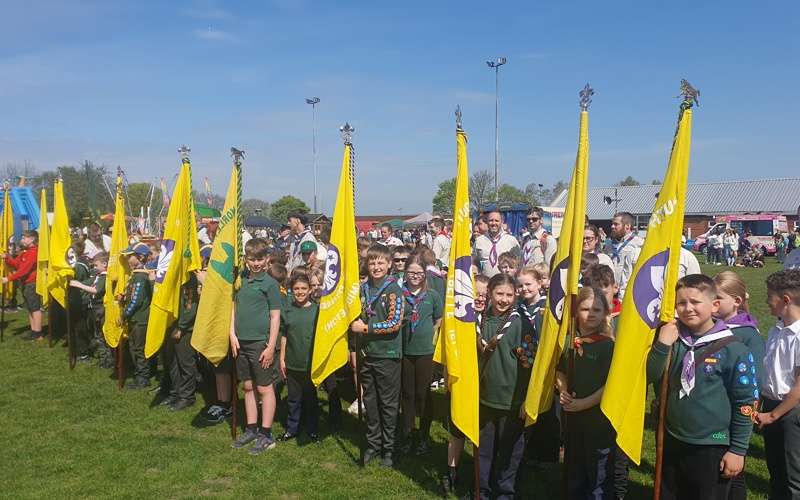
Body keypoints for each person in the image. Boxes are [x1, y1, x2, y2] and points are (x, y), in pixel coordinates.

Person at [647, 274, 756, 499]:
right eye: (681, 303)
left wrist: (737, 450)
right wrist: (662, 345)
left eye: (695, 302)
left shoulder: (733, 349)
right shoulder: (674, 340)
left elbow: (746, 403)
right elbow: (650, 375)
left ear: (715, 305)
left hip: (711, 443)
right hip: (673, 437)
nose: (688, 308)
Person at [476, 273, 533, 499]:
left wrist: (527, 398)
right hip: (484, 396)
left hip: (512, 399)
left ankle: (505, 493)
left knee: (510, 450)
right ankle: (481, 489)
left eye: (510, 295)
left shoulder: (521, 324)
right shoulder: (478, 320)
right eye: (499, 293)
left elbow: (530, 364)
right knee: (484, 447)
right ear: (489, 292)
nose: (504, 299)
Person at [556, 286, 616, 499]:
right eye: (585, 309)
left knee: (598, 470)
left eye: (597, 310)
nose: (591, 314)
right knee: (575, 465)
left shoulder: (607, 346)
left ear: (605, 314)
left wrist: (584, 403)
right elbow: (559, 369)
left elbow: (612, 384)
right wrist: (563, 390)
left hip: (598, 418)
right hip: (573, 416)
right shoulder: (568, 342)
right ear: (576, 312)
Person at [349, 244, 405, 468]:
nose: (376, 267)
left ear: (389, 264)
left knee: (388, 404)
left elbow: (395, 323)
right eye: (372, 262)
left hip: (388, 355)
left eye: (381, 262)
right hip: (367, 354)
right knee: (370, 401)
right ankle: (373, 443)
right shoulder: (363, 289)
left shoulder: (394, 291)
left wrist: (365, 329)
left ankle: (390, 448)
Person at [712, 271, 765, 500]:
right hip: (711, 413)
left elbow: (756, 380)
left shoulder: (747, 334)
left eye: (718, 298)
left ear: (737, 301)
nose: (713, 303)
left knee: (732, 474)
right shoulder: (710, 327)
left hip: (733, 413)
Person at [230, 239, 284, 455]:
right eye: (251, 259)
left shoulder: (270, 284)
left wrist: (271, 346)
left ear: (267, 259)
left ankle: (266, 432)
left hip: (260, 343)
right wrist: (232, 335)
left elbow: (275, 317)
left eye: (260, 259)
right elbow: (232, 309)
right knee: (249, 386)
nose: (256, 263)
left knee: (264, 387)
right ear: (245, 259)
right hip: (240, 341)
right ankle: (251, 428)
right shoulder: (240, 280)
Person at [439, 274, 489, 496]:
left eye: (485, 295)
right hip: (461, 382)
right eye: (475, 294)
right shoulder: (457, 319)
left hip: (486, 385)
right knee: (457, 432)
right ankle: (451, 471)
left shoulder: (495, 321)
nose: (479, 299)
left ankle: (480, 477)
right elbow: (448, 353)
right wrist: (447, 382)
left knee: (484, 434)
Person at [754, 269, 800, 500]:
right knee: (776, 471)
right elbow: (770, 371)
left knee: (794, 476)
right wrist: (762, 405)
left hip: (790, 410)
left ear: (785, 300)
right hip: (772, 406)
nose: (766, 301)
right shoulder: (777, 330)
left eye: (769, 296)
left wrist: (773, 416)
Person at [399, 255, 442, 456]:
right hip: (405, 349)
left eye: (419, 273)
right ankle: (408, 432)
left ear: (425, 274)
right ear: (405, 273)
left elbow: (439, 319)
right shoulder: (399, 294)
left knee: (423, 394)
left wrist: (430, 334)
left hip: (425, 350)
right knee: (407, 393)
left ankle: (424, 434)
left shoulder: (432, 295)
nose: (415, 276)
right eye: (411, 272)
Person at [278, 274, 323, 443]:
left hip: (310, 363)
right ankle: (292, 429)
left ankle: (313, 430)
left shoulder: (318, 310)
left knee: (311, 400)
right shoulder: (287, 310)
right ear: (291, 290)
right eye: (296, 289)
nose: (300, 292)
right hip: (293, 362)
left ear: (310, 290)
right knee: (293, 399)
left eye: (304, 288)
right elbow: (284, 336)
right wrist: (282, 359)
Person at [158, 270, 200, 412]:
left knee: (185, 362)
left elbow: (190, 305)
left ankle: (187, 396)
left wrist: (181, 327)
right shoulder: (172, 274)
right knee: (172, 361)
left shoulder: (189, 277)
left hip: (185, 327)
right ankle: (175, 392)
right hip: (171, 324)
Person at [117, 242, 153, 389]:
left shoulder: (140, 276)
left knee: (138, 349)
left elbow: (137, 301)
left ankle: (143, 378)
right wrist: (125, 297)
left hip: (140, 318)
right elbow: (134, 296)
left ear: (141, 257)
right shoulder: (136, 275)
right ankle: (140, 374)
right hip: (136, 317)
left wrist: (124, 315)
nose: (128, 259)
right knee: (134, 347)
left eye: (131, 256)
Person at [70, 252, 112, 368]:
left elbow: (97, 290)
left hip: (102, 308)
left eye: (96, 265)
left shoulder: (104, 276)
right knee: (99, 334)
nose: (94, 268)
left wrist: (79, 285)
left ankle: (109, 359)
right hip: (96, 307)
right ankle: (103, 358)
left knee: (105, 334)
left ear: (105, 264)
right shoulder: (98, 276)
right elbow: (89, 284)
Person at [1, 230, 41, 341]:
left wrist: (8, 279)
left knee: (35, 308)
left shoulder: (33, 252)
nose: (22, 240)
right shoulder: (24, 252)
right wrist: (7, 258)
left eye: (24, 238)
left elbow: (24, 270)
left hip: (32, 282)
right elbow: (16, 264)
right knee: (29, 307)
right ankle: (33, 331)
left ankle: (38, 333)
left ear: (32, 239)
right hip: (25, 282)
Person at [603, 212, 643, 300]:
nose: (612, 227)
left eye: (616, 224)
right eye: (612, 224)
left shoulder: (639, 244)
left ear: (627, 226)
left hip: (628, 291)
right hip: (611, 290)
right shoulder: (609, 245)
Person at [473, 211, 520, 277]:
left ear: (501, 222)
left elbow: (517, 263)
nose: (493, 223)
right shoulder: (479, 241)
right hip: (485, 281)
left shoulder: (511, 240)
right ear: (487, 223)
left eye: (496, 221)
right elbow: (475, 262)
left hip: (505, 281)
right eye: (491, 220)